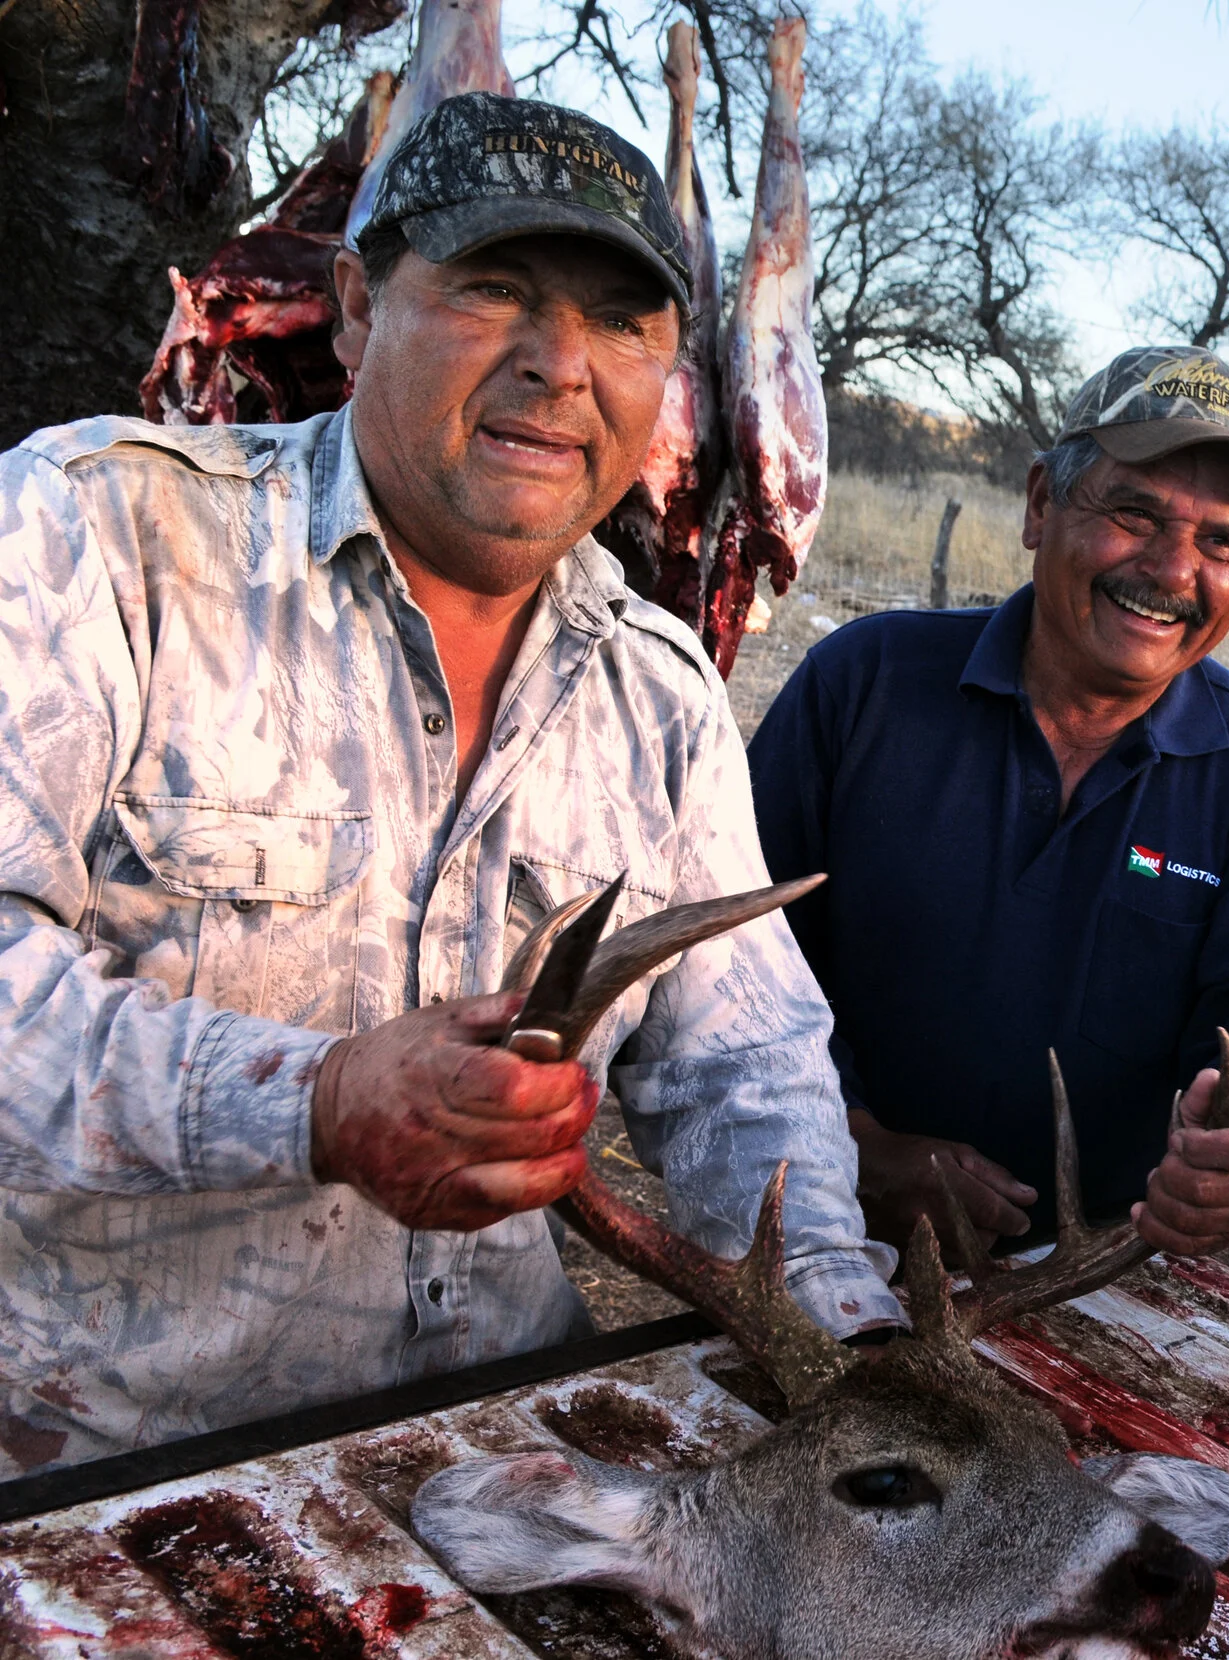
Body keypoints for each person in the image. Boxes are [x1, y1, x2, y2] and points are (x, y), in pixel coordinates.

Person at [0, 94, 896, 1473]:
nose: (561, 365)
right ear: (355, 307)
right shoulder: (100, 534)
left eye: (625, 322)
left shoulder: (659, 688)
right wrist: (311, 1100)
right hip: (108, 1477)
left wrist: (841, 1325)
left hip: (502, 1455)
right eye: (495, 289)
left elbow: (747, 1069)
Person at [749, 347, 1229, 1264]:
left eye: (1222, 543)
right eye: (1134, 514)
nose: (1172, 570)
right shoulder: (863, 686)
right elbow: (736, 969)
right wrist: (855, 1149)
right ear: (1041, 504)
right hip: (822, 1239)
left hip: (1108, 1280)